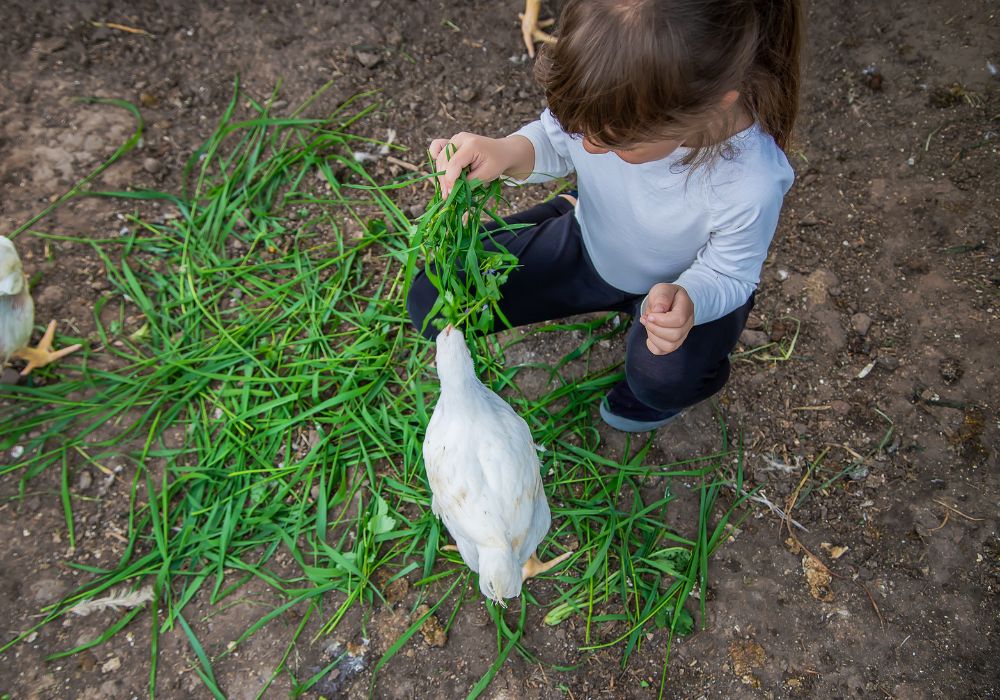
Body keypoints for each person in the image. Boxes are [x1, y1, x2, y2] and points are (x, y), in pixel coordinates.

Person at [407, 0, 802, 432]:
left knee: (660, 377)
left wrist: (689, 301)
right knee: (433, 297)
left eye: (616, 143)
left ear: (710, 107)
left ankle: (659, 388)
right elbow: (557, 141)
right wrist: (504, 153)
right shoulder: (607, 94)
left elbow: (731, 274)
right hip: (593, 243)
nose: (589, 149)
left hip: (679, 287)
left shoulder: (750, 181)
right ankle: (572, 208)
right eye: (581, 130)